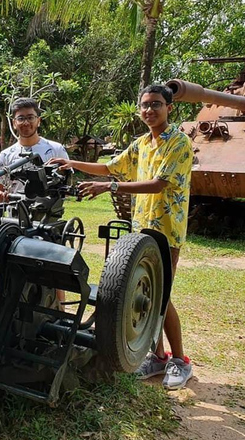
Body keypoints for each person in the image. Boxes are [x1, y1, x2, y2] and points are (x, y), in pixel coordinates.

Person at [48, 84, 193, 390]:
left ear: (170, 108)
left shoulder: (178, 142)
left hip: (166, 228)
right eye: (144, 105)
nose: (149, 110)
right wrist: (73, 163)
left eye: (156, 104)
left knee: (161, 297)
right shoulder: (142, 143)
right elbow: (111, 167)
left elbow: (158, 184)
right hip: (142, 226)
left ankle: (180, 360)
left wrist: (109, 188)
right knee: (150, 293)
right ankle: (158, 357)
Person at [0, 97, 69, 203]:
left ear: (38, 121)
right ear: (14, 123)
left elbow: (66, 182)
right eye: (21, 118)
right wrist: (0, 196)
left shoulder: (56, 149)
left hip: (48, 215)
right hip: (15, 215)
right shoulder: (5, 155)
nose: (26, 123)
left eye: (30, 117)